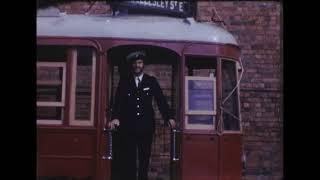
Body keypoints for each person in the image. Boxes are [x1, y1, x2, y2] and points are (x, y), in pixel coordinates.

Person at [108, 50, 176, 180]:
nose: (137, 65)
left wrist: (168, 117)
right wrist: (115, 118)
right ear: (132, 65)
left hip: (146, 128)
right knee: (129, 160)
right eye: (135, 63)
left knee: (145, 158)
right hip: (128, 128)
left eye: (139, 62)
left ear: (143, 64)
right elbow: (118, 102)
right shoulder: (124, 82)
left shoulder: (151, 81)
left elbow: (160, 100)